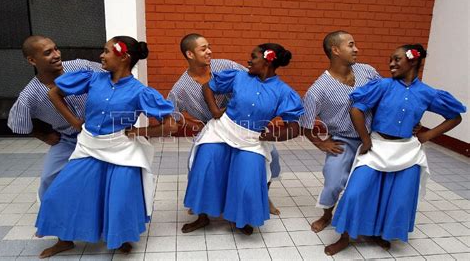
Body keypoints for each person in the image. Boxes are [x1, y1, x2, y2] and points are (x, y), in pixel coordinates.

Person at [35, 36, 177, 258]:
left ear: (123, 57)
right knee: (60, 193)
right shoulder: (93, 79)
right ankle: (64, 240)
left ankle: (121, 237)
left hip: (122, 151)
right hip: (89, 146)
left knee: (120, 198)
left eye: (106, 51)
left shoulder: (140, 92)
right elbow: (54, 93)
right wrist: (74, 122)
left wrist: (140, 132)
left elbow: (171, 126)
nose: (101, 55)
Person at [325, 44, 466, 255]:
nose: (391, 63)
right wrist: (365, 139)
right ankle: (345, 236)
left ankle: (378, 232)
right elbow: (357, 108)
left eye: (397, 59)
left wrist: (427, 135)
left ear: (413, 60)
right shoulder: (382, 86)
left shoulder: (427, 93)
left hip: (407, 152)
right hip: (378, 146)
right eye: (391, 59)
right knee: (356, 192)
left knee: (397, 198)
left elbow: (455, 116)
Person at [183, 43, 304, 235]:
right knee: (205, 167)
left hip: (252, 139)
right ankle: (202, 217)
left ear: (267, 60)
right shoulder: (238, 76)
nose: (249, 60)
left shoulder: (283, 92)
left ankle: (243, 218)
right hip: (221, 130)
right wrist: (214, 110)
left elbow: (294, 127)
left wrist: (273, 135)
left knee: (248, 178)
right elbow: (208, 87)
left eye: (253, 57)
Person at [168, 33, 282, 217]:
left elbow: (253, 78)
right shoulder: (181, 88)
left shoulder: (226, 65)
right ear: (190, 54)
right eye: (203, 49)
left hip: (245, 124)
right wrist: (192, 124)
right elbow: (171, 114)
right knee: (197, 162)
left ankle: (262, 196)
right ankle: (201, 201)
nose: (209, 52)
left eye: (209, 47)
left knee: (272, 156)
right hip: (213, 128)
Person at [299, 31, 381, 233]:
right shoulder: (318, 90)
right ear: (335, 50)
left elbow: (386, 96)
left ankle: (369, 221)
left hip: (374, 138)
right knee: (333, 182)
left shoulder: (368, 72)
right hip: (343, 140)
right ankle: (327, 215)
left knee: (372, 182)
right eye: (351, 45)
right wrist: (322, 143)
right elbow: (304, 124)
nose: (356, 49)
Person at [7, 35, 104, 200]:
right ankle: (49, 214)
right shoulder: (30, 95)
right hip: (69, 140)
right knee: (48, 179)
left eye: (56, 49)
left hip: (102, 134)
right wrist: (44, 136)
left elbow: (111, 77)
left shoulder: (81, 66)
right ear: (32, 60)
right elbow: (17, 124)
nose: (56, 55)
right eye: (47, 53)